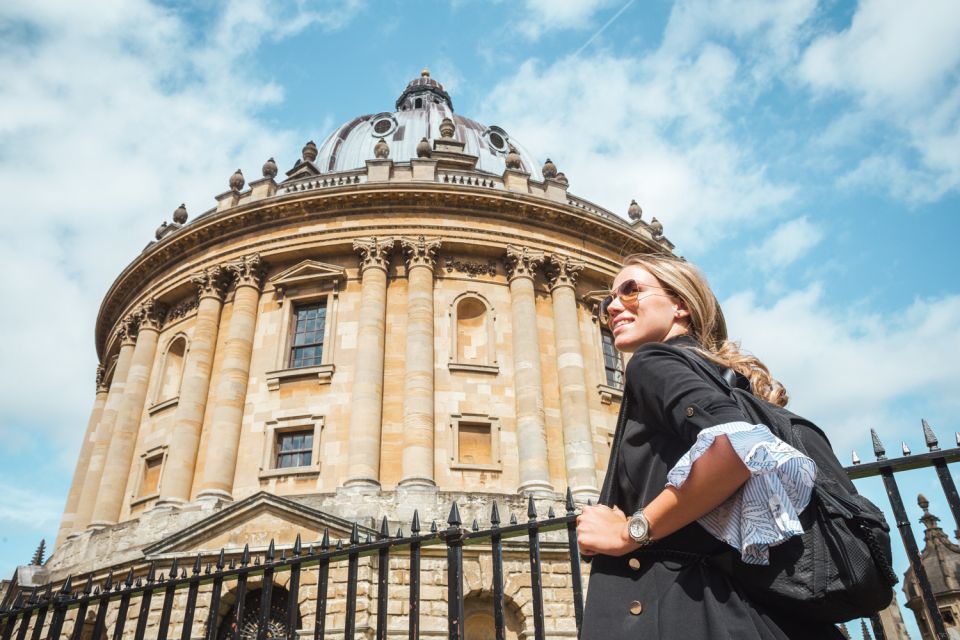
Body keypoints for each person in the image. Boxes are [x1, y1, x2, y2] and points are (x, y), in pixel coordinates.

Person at [577, 254, 841, 639]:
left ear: (680, 305)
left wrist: (630, 531)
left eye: (631, 291)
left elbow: (738, 448)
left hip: (692, 611)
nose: (613, 305)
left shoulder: (652, 361)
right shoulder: (717, 374)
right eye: (608, 300)